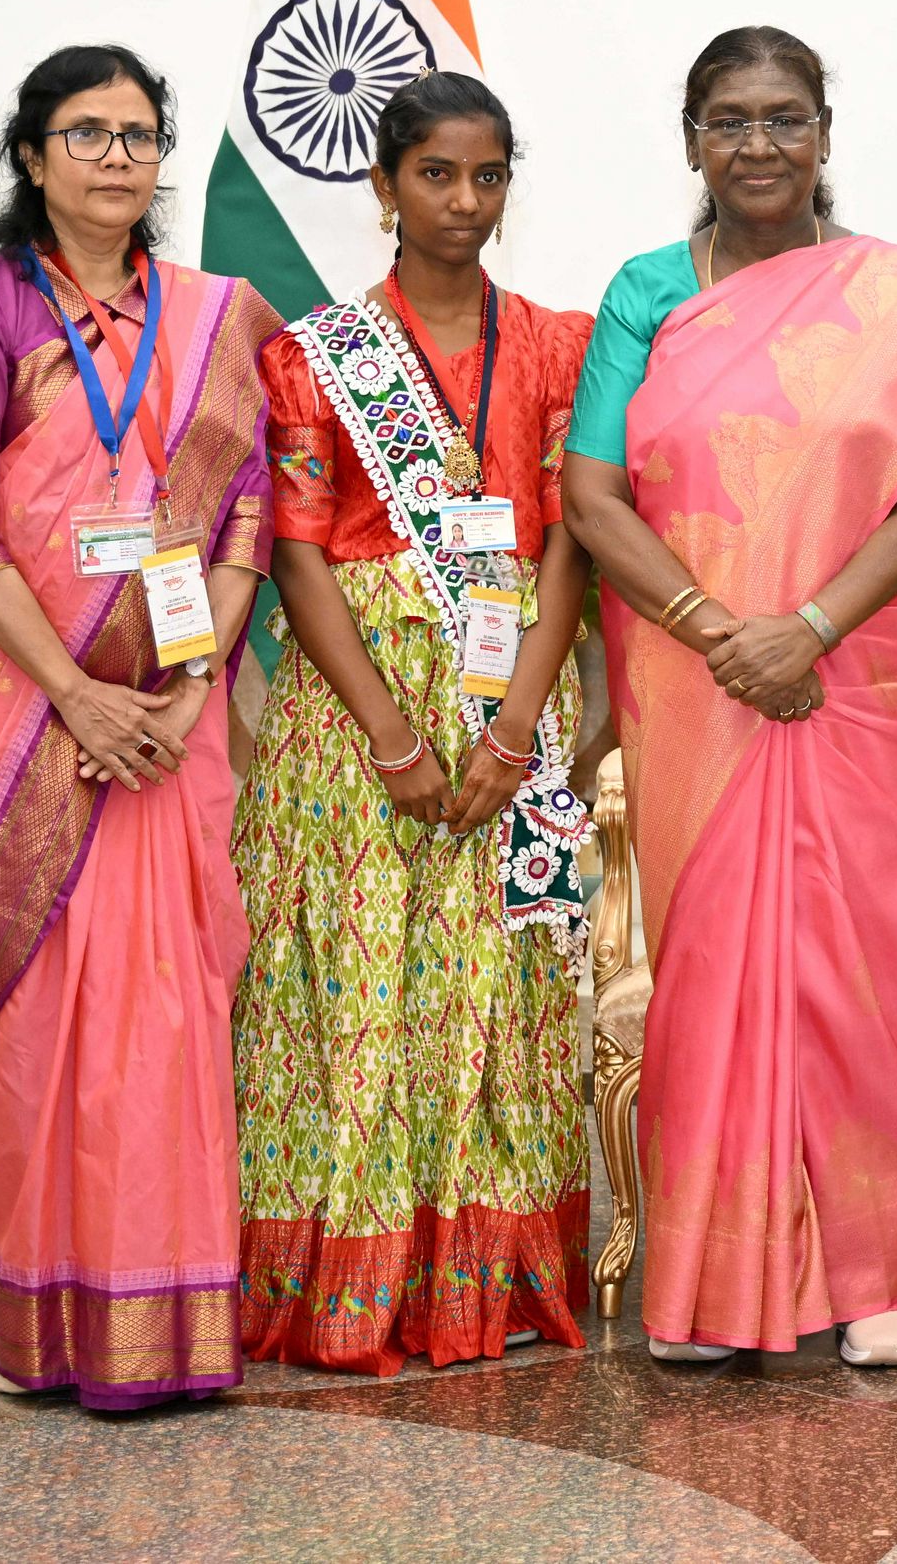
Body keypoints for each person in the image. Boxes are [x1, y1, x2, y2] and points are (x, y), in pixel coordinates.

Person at [561, 26, 897, 1370]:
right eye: (729, 120)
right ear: (692, 140)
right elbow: (593, 493)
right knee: (713, 965)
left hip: (861, 671)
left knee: (864, 963)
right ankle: (712, 1279)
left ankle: (868, 1273)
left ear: (826, 133)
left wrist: (811, 627)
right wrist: (723, 631)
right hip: (698, 682)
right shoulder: (646, 291)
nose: (758, 143)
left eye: (784, 117)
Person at [0, 45, 277, 1408]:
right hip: (28, 724)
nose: (118, 157)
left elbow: (245, 516)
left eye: (138, 134)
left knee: (167, 1018)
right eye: (87, 132)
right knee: (43, 1023)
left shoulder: (214, 317)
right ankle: (41, 1322)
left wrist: (186, 690)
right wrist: (77, 694)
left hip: (168, 728)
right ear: (31, 154)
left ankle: (166, 1319)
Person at [232, 73, 599, 1375]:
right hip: (354, 719)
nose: (464, 200)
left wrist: (512, 731)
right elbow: (296, 554)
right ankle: (348, 1281)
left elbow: (570, 543)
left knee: (496, 992)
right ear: (383, 186)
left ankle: (479, 1280)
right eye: (435, 174)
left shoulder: (558, 344)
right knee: (354, 990)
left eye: (488, 175)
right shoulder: (310, 356)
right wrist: (394, 736)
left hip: (511, 700)